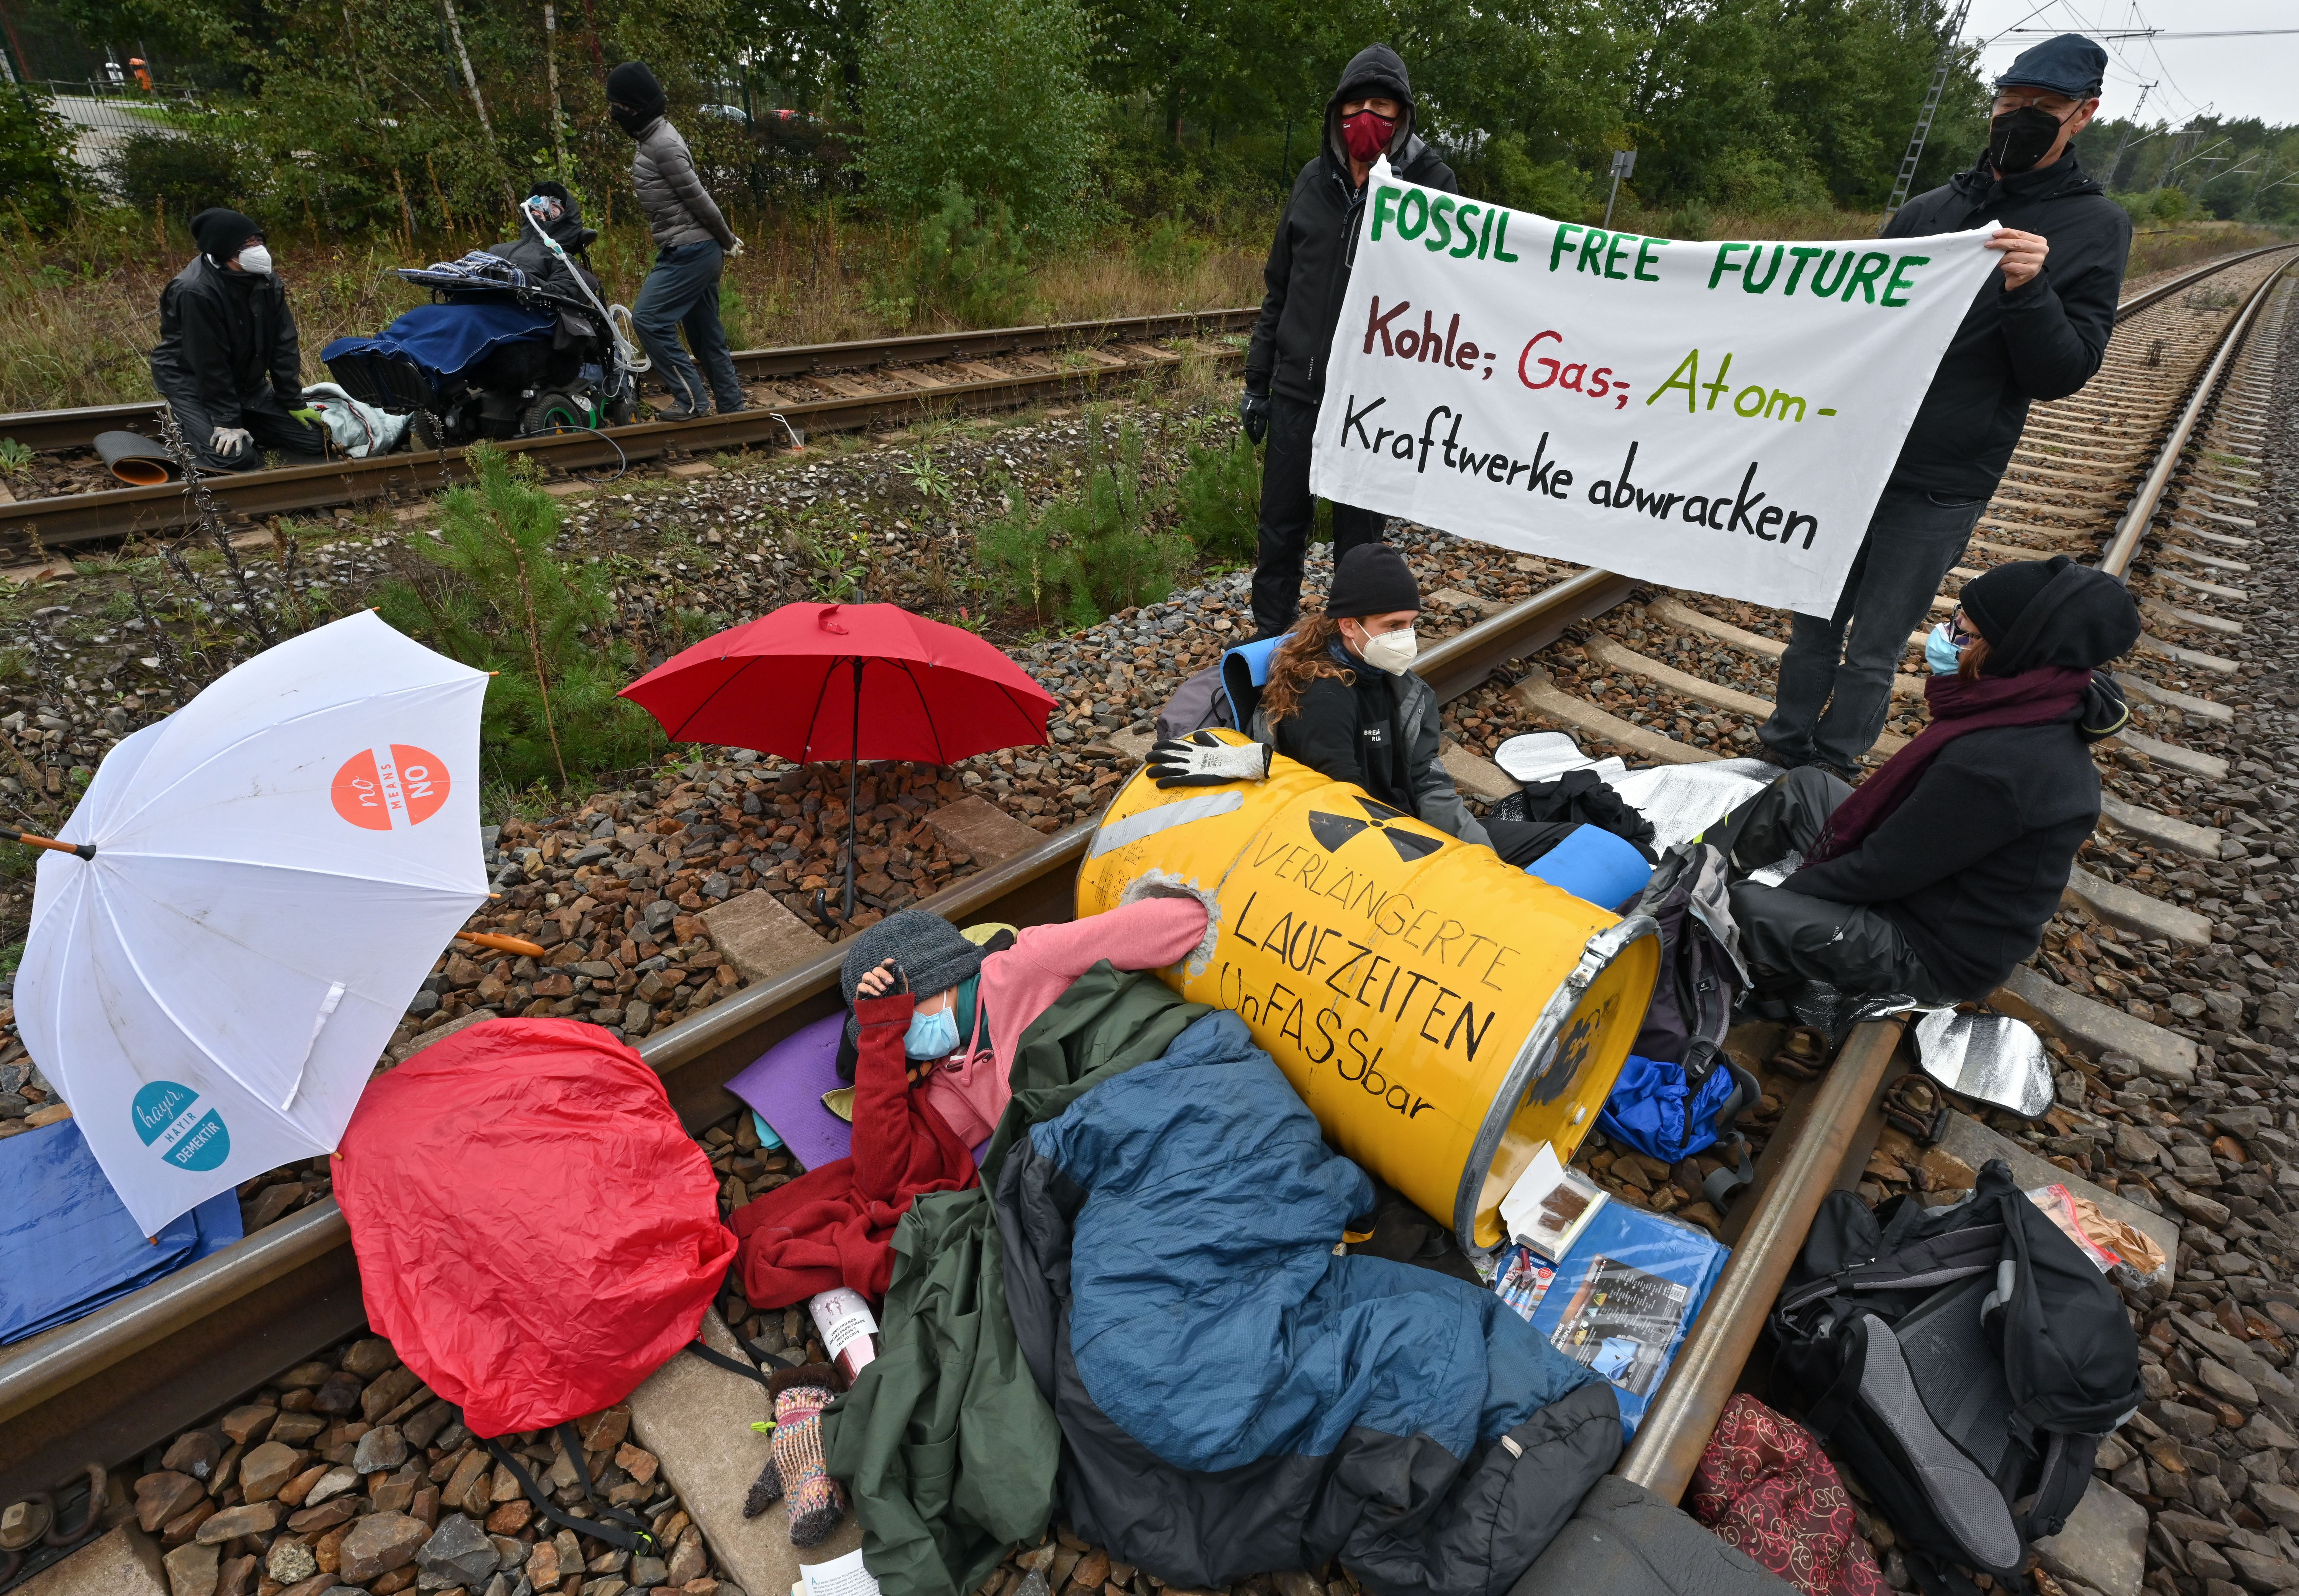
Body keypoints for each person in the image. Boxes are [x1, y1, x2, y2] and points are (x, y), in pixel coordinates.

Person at [1759, 33, 2131, 779]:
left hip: (1942, 478)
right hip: (1850, 462)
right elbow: (1848, 321)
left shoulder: (2097, 228)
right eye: (2010, 103)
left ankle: (1830, 775)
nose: (2020, 118)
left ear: (2083, 115)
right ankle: (1778, 754)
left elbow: (2063, 372)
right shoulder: (1933, 210)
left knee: (1874, 644)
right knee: (1811, 628)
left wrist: (2033, 291)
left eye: (2045, 108)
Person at [730, 899, 1210, 1306]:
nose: (910, 1042)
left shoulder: (1027, 966)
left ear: (939, 979)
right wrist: (880, 1039)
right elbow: (883, 1178)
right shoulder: (949, 1076)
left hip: (1163, 1103)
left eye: (905, 1017)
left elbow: (1183, 920)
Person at [1720, 556, 2136, 1004]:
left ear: (2012, 652)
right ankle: (1702, 875)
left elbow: (1883, 869)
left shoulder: (1998, 764)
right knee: (1805, 788)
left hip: (1933, 949)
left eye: (1964, 632)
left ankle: (1724, 942)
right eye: (1956, 617)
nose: (1945, 636)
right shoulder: (2027, 704)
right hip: (1922, 890)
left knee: (1745, 910)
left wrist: (1786, 895)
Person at [1148, 545, 1578, 867]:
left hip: (1410, 822)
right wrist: (1469, 872)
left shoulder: (1393, 681)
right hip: (1381, 851)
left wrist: (1482, 855)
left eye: (1410, 624)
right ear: (1349, 624)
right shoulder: (1323, 696)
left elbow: (1426, 781)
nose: (1405, 638)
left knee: (1577, 842)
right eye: (1392, 626)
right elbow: (1344, 811)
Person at [1242, 46, 1457, 641]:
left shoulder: (1431, 186)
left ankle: (1354, 651)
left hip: (1373, 405)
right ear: (1336, 111)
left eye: (1380, 105)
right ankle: (1269, 642)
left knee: (1359, 541)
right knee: (1280, 528)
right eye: (1354, 104)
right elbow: (1278, 290)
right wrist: (1257, 382)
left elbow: (1450, 299)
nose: (1366, 116)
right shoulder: (1312, 182)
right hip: (1297, 389)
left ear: (1403, 114)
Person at [604, 61, 748, 422]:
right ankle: (733, 413)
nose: (614, 114)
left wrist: (727, 239)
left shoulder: (662, 144)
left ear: (636, 107)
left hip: (692, 251)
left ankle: (691, 400)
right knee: (705, 336)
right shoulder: (655, 138)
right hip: (691, 248)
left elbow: (700, 199)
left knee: (650, 320)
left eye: (618, 107)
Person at [149, 209, 326, 474]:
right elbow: (209, 363)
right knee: (237, 459)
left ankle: (245, 419)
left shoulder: (267, 280)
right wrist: (227, 421)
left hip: (247, 383)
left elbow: (284, 344)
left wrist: (293, 401)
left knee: (316, 440)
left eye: (259, 241)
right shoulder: (194, 291)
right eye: (247, 245)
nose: (258, 250)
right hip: (194, 383)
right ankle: (187, 419)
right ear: (224, 250)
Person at [487, 180, 603, 300]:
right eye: (541, 202)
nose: (542, 206)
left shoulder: (562, 260)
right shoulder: (496, 249)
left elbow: (562, 295)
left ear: (565, 220)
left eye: (553, 207)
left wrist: (519, 279)